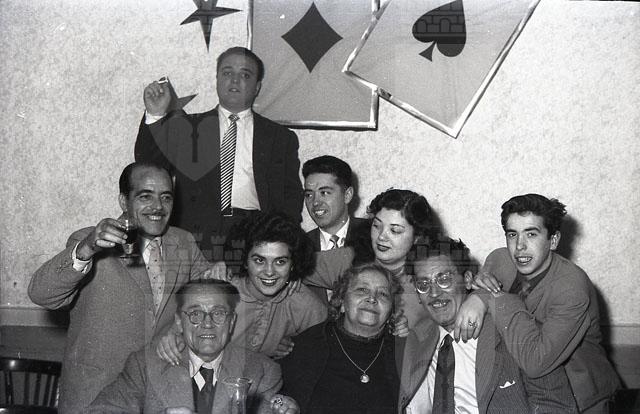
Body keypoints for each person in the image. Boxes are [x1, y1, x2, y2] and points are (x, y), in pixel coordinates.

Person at [28, 162, 222, 414]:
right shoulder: (88, 241)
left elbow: (208, 297)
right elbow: (41, 294)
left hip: (157, 399)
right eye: (145, 196)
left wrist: (218, 275)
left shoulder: (183, 242)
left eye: (166, 197)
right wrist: (87, 248)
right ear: (123, 201)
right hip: (94, 397)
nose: (158, 207)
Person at [135, 46, 303, 260]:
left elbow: (291, 198)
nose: (235, 80)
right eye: (227, 73)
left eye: (245, 75)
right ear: (216, 80)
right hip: (195, 238)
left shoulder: (280, 137)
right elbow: (147, 168)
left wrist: (283, 241)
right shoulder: (188, 127)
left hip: (255, 238)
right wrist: (156, 114)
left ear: (257, 87)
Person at [457, 194, 619, 413]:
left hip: (579, 401)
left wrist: (494, 297)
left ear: (553, 240)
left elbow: (536, 362)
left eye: (531, 234)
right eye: (512, 234)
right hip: (523, 392)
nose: (519, 246)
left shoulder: (572, 288)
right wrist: (477, 297)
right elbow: (495, 265)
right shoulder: (502, 259)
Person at [400, 243, 578, 414]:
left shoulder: (513, 329)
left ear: (467, 280)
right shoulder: (416, 340)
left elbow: (556, 405)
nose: (434, 293)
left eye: (444, 280)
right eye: (423, 285)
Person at [89, 279, 297, 414]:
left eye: (218, 313)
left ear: (232, 322)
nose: (207, 323)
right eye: (195, 314)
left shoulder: (261, 371)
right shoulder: (145, 365)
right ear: (179, 322)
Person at [157, 211, 328, 362]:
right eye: (259, 260)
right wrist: (172, 337)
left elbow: (321, 354)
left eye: (280, 262)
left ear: (292, 264)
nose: (269, 272)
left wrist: (295, 347)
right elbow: (176, 338)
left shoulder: (304, 304)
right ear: (245, 260)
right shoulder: (222, 293)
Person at [279, 263, 401, 413]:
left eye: (383, 294)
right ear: (341, 301)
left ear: (391, 310)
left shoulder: (403, 353)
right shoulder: (306, 346)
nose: (372, 298)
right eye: (362, 290)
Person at [306, 188, 436, 328]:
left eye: (394, 230)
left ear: (417, 238)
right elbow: (294, 265)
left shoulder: (428, 281)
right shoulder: (349, 259)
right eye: (376, 225)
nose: (381, 236)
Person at [302, 155, 372, 302]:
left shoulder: (373, 235)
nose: (315, 202)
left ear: (347, 195)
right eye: (309, 194)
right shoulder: (299, 245)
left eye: (324, 193)